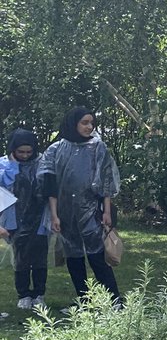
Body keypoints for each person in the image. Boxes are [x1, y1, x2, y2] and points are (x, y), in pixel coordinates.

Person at [38, 107, 121, 298]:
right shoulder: (56, 149)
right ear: (73, 123)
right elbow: (50, 184)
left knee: (98, 256)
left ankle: (113, 299)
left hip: (91, 210)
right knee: (73, 257)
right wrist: (54, 214)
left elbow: (106, 180)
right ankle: (84, 300)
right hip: (65, 213)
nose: (89, 127)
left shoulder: (98, 148)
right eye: (85, 122)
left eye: (91, 123)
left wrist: (106, 211)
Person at [0, 129, 50, 309]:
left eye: (28, 152)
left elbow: (48, 186)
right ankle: (23, 294)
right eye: (20, 152)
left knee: (39, 258)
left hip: (39, 217)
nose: (25, 155)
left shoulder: (41, 163)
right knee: (21, 258)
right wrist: (13, 166)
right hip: (15, 218)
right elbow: (3, 187)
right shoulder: (4, 164)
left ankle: (39, 293)